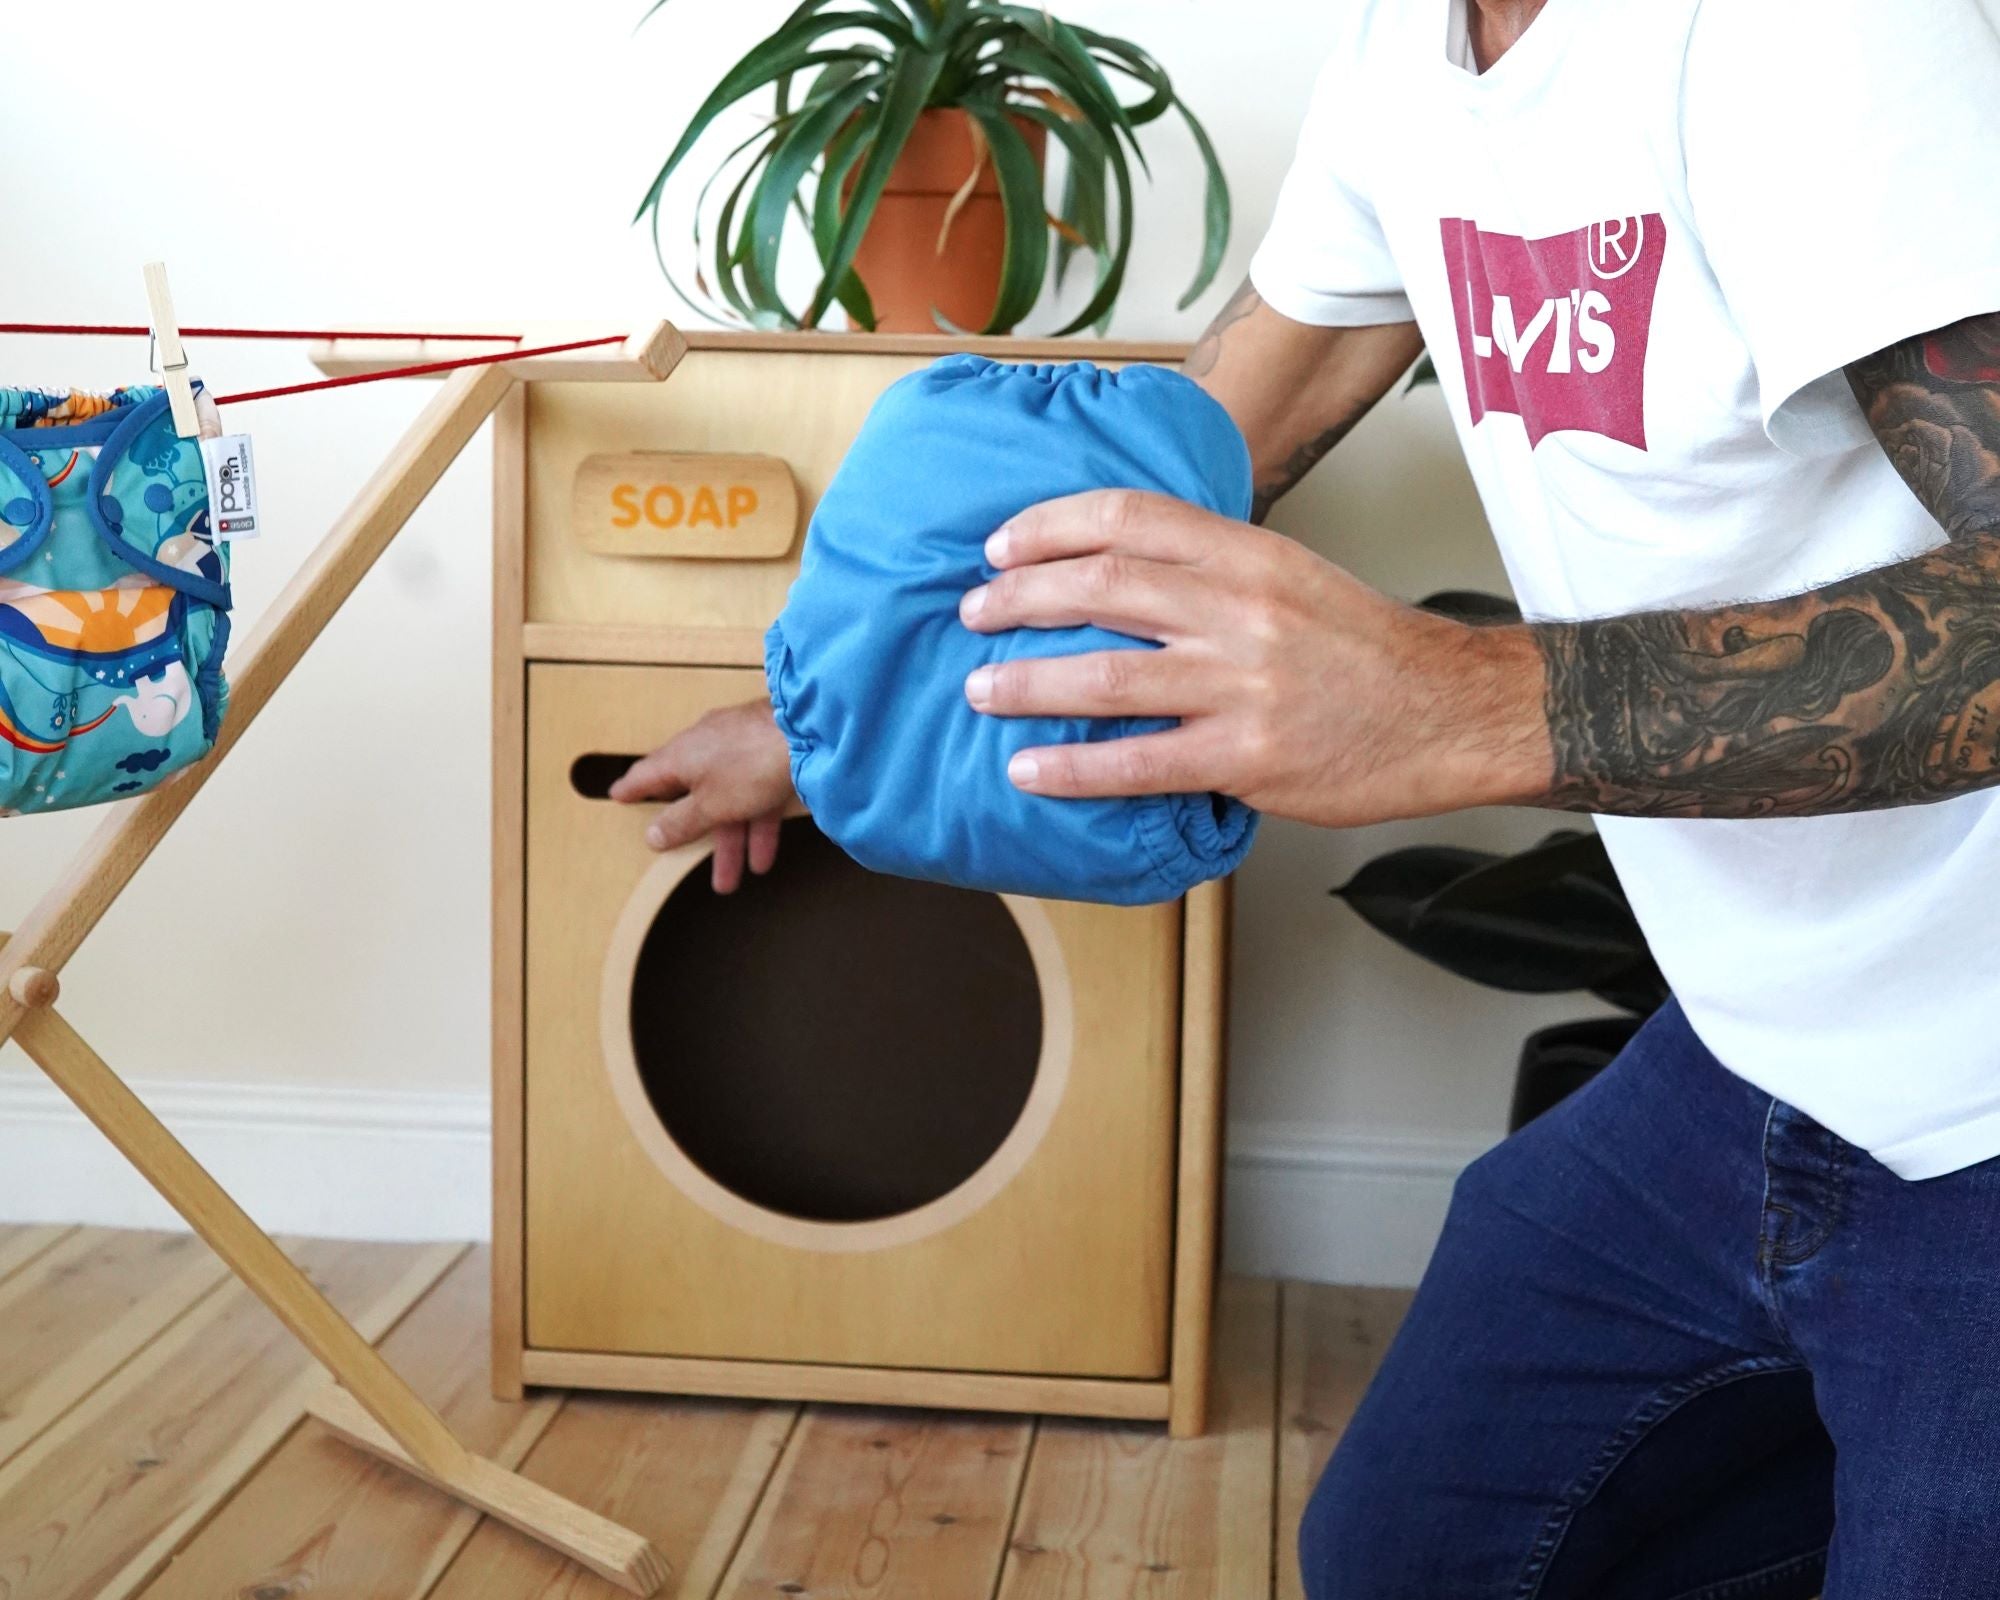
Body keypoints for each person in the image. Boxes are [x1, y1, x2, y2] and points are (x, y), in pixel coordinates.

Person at [612, 0, 2000, 1590]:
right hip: (1760, 1054)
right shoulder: (1412, 59)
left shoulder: (1813, 37)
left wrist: (1457, 698)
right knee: (1415, 1553)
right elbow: (1217, 435)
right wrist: (842, 721)